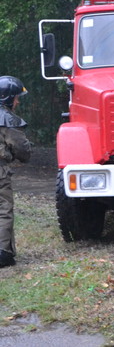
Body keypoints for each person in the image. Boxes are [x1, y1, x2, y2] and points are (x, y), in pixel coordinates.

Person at [0, 76, 32, 268]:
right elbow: (22, 151)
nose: (18, 102)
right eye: (17, 97)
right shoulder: (7, 120)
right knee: (3, 209)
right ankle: (3, 253)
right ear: (7, 98)